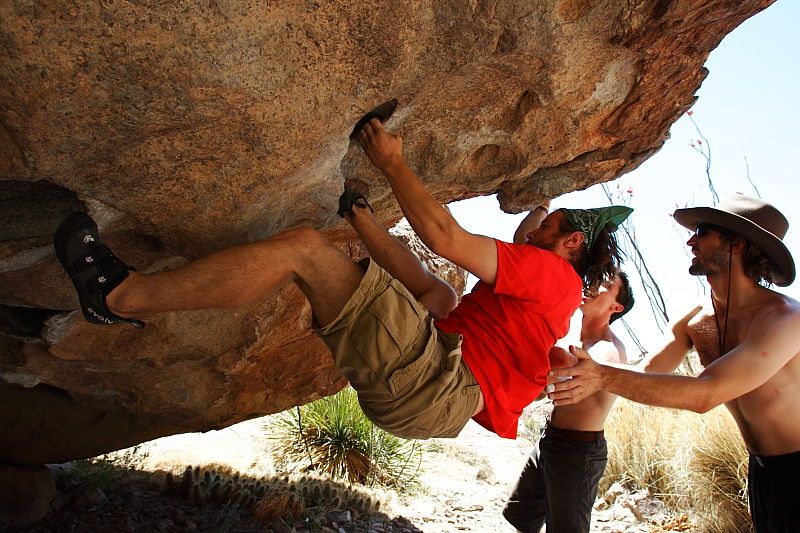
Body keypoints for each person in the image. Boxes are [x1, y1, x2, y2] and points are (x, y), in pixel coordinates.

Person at [54, 118, 629, 440]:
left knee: (305, 251)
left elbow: (448, 239)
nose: (535, 223)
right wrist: (362, 219)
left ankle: (120, 295)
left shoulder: (551, 273)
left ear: (571, 243)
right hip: (435, 396)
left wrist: (392, 163)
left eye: (549, 222)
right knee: (442, 293)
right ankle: (358, 220)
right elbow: (427, 278)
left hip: (434, 384)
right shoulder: (542, 302)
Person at [547, 195, 800, 532]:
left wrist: (600, 376)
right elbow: (648, 373)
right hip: (762, 470)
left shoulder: (784, 319)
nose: (691, 240)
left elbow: (705, 395)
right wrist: (585, 367)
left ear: (737, 244)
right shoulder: (695, 319)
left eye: (703, 232)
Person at [503, 209, 635, 533]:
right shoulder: (576, 332)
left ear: (615, 307)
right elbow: (524, 245)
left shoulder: (609, 347)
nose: (594, 286)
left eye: (605, 286)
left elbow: (587, 370)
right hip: (551, 438)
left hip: (579, 453)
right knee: (520, 518)